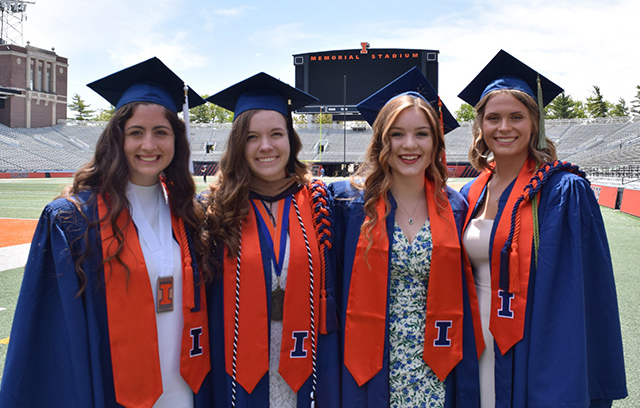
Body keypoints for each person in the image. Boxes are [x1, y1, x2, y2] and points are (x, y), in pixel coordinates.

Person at [0, 57, 213, 408]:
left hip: (185, 387)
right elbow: (53, 335)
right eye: (136, 132)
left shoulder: (187, 213)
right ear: (117, 138)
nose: (149, 144)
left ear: (176, 139)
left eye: (161, 132)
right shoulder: (74, 221)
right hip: (114, 389)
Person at [457, 49, 628, 407]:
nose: (504, 128)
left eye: (516, 117)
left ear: (535, 123)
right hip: (473, 341)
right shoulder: (473, 191)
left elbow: (575, 294)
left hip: (532, 339)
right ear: (480, 126)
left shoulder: (562, 191)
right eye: (494, 118)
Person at [329, 67, 480, 408]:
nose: (409, 145)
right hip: (370, 364)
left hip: (436, 367)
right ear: (382, 140)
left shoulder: (455, 208)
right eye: (397, 134)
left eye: (421, 134)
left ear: (435, 141)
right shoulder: (350, 205)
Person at [201, 72, 339, 408]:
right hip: (238, 371)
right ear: (239, 145)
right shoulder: (213, 210)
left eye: (276, 134)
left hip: (308, 367)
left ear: (290, 139)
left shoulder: (323, 203)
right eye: (252, 137)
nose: (266, 146)